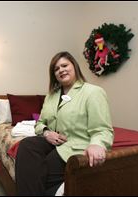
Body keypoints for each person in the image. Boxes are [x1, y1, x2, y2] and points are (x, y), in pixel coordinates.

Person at [15, 51, 114, 196]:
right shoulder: (51, 96)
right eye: (56, 69)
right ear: (54, 75)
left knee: (38, 172)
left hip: (75, 145)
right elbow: (40, 123)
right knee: (26, 145)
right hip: (54, 142)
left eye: (64, 65)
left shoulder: (93, 92)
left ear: (74, 66)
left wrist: (97, 144)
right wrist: (47, 133)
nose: (61, 70)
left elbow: (103, 129)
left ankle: (60, 189)